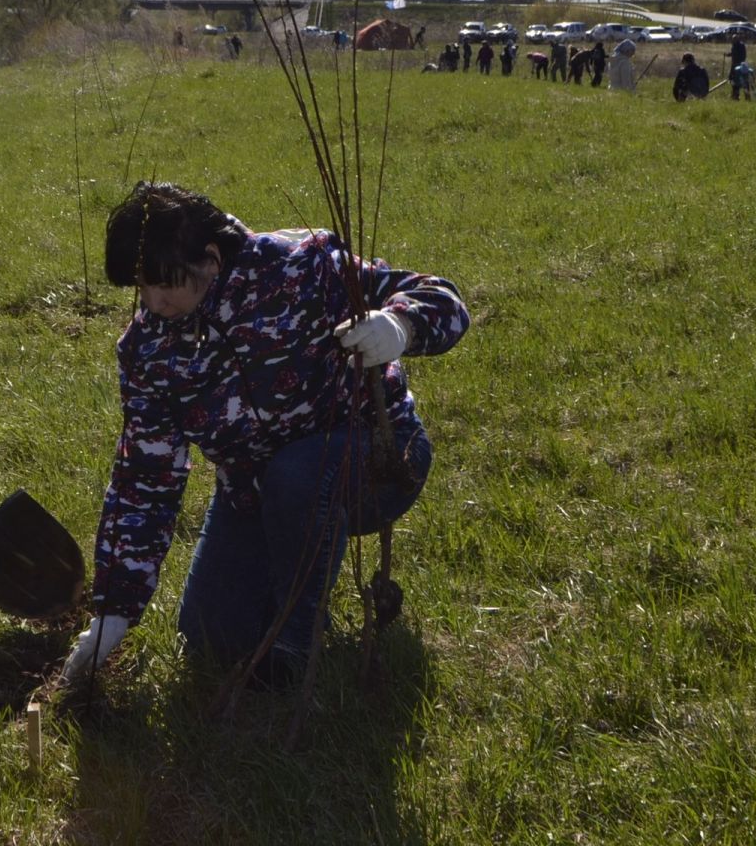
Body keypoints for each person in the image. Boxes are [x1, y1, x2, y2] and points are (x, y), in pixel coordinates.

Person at [59, 183, 469, 692]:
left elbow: (443, 298)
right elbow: (145, 475)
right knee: (210, 635)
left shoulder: (301, 268)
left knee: (296, 473)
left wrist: (400, 325)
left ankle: (297, 645)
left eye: (165, 285)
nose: (153, 302)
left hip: (374, 463)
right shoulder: (149, 350)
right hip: (253, 491)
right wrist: (114, 609)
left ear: (209, 259)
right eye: (140, 288)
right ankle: (284, 594)